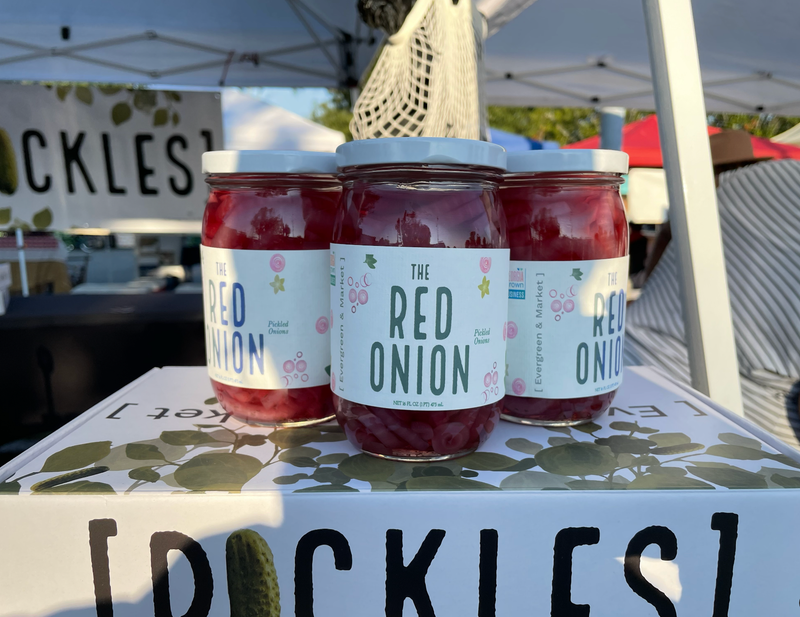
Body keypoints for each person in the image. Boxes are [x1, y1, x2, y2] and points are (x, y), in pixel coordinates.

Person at [624, 131, 800, 448]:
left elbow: (664, 239)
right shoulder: (757, 183)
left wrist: (651, 293)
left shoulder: (724, 191)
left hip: (634, 362)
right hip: (745, 425)